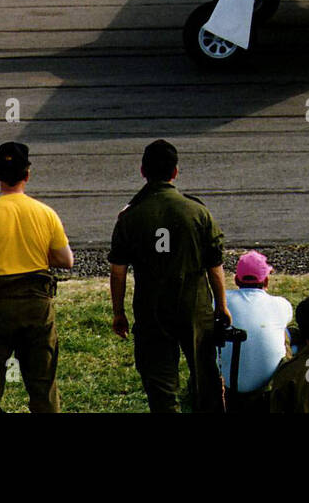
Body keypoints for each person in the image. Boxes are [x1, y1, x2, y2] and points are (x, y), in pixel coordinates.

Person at [108, 139, 229, 413]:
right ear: (175, 172)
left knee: (159, 379)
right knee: (204, 372)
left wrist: (118, 311)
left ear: (143, 171)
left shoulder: (130, 217)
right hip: (194, 305)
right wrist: (221, 305)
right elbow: (214, 266)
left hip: (152, 308)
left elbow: (118, 271)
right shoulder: (198, 212)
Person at [0, 141, 74, 413]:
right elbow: (67, 260)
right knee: (43, 385)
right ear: (27, 174)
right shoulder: (46, 214)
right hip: (36, 307)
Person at [218, 250, 292, 412]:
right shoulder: (281, 304)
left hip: (228, 386)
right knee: (286, 333)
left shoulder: (221, 301)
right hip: (266, 389)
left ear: (237, 279)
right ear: (266, 280)